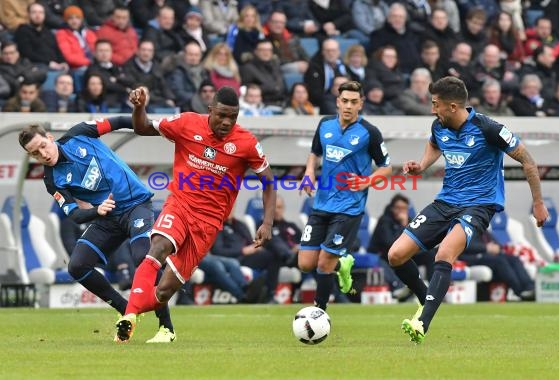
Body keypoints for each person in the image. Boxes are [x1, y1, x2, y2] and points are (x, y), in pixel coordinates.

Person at [388, 76, 549, 344]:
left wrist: (539, 203)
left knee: (445, 253)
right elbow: (434, 144)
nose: (432, 109)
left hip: (479, 205)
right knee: (395, 255)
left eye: (435, 104)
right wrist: (423, 164)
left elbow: (527, 161)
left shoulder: (488, 128)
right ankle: (423, 299)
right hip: (445, 202)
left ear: (453, 106)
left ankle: (422, 322)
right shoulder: (439, 124)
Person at [115, 85, 276, 342]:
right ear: (210, 109)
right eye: (221, 115)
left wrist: (267, 222)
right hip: (180, 205)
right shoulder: (187, 123)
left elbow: (268, 182)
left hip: (209, 223)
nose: (226, 122)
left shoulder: (246, 143)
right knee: (158, 246)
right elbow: (142, 127)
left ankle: (150, 321)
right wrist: (139, 108)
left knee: (165, 291)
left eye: (232, 117)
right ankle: (129, 317)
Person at [17, 116, 176, 344]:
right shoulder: (52, 179)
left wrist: (158, 128)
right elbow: (73, 213)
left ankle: (166, 328)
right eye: (35, 153)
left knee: (143, 257)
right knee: (77, 266)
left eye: (42, 146)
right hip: (107, 217)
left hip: (135, 205)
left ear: (50, 138)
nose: (42, 154)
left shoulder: (80, 133)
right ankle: (126, 310)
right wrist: (97, 210)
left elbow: (121, 120)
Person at [298, 80, 392, 311]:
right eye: (344, 101)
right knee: (305, 264)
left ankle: (319, 312)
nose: (348, 106)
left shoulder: (370, 132)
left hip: (349, 208)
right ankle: (343, 263)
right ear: (338, 102)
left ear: (361, 104)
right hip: (321, 203)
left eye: (354, 102)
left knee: (323, 263)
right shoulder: (325, 124)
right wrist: (309, 172)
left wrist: (366, 181)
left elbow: (387, 167)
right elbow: (314, 153)